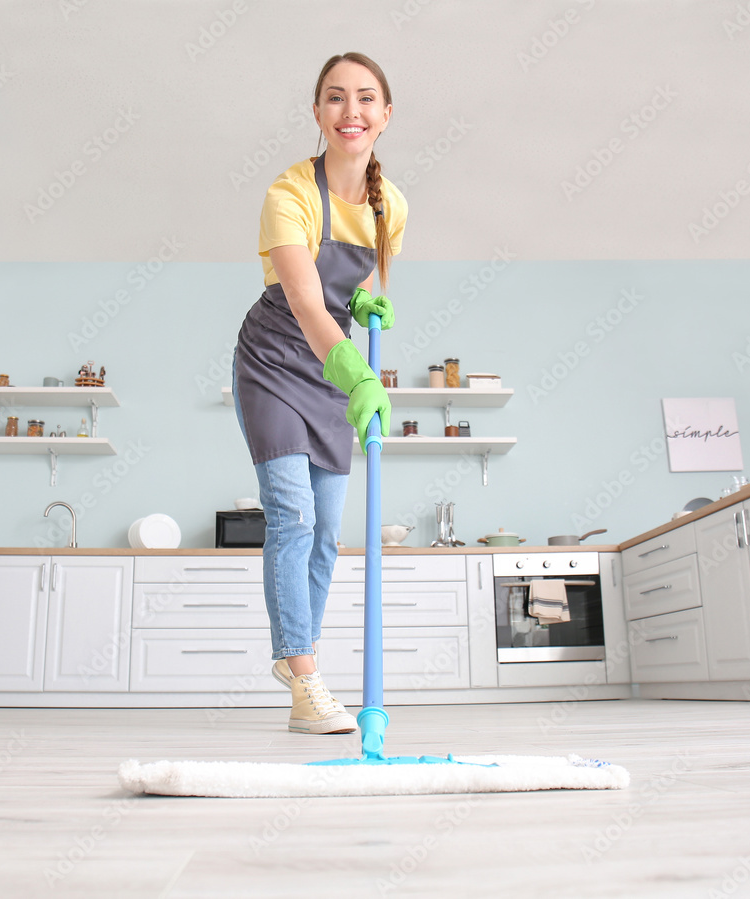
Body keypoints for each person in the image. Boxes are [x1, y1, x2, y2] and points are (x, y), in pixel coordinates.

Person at [232, 52, 407, 734]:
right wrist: (359, 371)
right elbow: (306, 304)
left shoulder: (391, 206)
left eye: (366, 98)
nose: (351, 110)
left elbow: (347, 286)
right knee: (294, 517)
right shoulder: (289, 194)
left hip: (328, 371)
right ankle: (303, 676)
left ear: (386, 115)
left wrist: (366, 305)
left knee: (328, 536)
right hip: (277, 361)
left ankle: (298, 671)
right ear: (318, 113)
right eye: (335, 98)